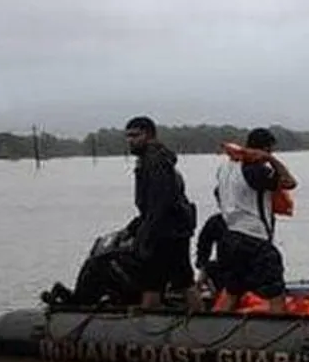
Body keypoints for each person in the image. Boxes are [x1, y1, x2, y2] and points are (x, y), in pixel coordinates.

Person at [212, 127, 299, 313]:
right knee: (276, 292)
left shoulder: (225, 168)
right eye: (270, 151)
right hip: (254, 239)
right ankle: (279, 329)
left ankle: (216, 327)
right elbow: (290, 182)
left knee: (232, 291)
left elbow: (218, 193)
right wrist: (271, 160)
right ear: (266, 149)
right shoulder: (255, 170)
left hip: (229, 237)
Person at [124, 115, 200, 311]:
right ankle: (200, 317)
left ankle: (149, 322)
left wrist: (146, 234)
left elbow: (160, 202)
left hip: (164, 231)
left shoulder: (154, 161)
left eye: (135, 135)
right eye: (128, 136)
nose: (130, 140)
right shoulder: (156, 158)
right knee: (184, 280)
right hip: (176, 229)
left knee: (151, 283)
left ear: (149, 136)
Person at [193, 212, 229, 299]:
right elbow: (204, 244)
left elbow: (204, 244)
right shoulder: (218, 221)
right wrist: (202, 266)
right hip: (226, 271)